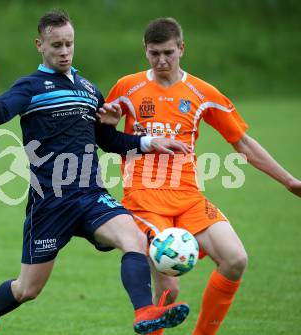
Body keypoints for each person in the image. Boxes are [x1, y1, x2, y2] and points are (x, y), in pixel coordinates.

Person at [0, 10, 192, 335]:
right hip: (50, 204)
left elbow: (107, 139)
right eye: (56, 45)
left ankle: (144, 311)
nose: (63, 51)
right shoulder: (30, 87)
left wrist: (148, 141)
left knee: (135, 240)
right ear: (39, 45)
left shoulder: (88, 88)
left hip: (90, 194)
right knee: (27, 289)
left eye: (69, 44)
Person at [104, 17, 301, 335]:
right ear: (145, 50)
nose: (161, 60)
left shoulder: (201, 92)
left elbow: (243, 143)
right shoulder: (128, 87)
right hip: (144, 199)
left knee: (235, 259)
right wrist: (110, 125)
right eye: (154, 53)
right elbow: (102, 136)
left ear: (182, 48)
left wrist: (290, 181)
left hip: (188, 198)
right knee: (170, 290)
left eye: (168, 52)